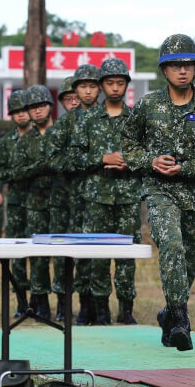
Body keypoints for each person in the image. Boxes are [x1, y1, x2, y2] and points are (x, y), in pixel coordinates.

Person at [122, 34, 195, 351]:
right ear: (164, 70)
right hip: (160, 191)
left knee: (189, 263)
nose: (182, 71)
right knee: (171, 245)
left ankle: (168, 314)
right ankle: (182, 320)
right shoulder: (147, 106)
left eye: (187, 64)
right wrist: (151, 160)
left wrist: (187, 168)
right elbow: (129, 147)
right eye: (174, 65)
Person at [72, 58, 141, 325]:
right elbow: (74, 159)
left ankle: (126, 309)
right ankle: (100, 310)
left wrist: (129, 161)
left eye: (120, 83)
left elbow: (148, 156)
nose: (115, 88)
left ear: (126, 85)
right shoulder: (87, 119)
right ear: (102, 86)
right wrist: (102, 159)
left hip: (128, 196)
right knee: (97, 253)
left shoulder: (136, 119)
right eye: (110, 83)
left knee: (127, 254)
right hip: (96, 196)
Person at [14, 85, 57, 319]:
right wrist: (39, 167)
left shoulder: (60, 132)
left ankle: (63, 306)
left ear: (50, 107)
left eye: (41, 106)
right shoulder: (24, 141)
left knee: (62, 257)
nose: (38, 111)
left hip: (60, 202)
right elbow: (17, 172)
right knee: (38, 256)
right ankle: (40, 304)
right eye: (33, 107)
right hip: (35, 203)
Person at [67, 64, 102, 326]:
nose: (88, 91)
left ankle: (103, 309)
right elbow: (61, 158)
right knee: (79, 252)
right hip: (74, 196)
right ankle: (84, 307)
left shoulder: (110, 115)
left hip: (104, 194)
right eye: (83, 86)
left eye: (92, 86)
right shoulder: (68, 120)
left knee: (102, 250)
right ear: (76, 90)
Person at [46, 76, 81, 322]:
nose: (72, 103)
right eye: (68, 99)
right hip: (61, 198)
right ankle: (62, 304)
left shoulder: (94, 122)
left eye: (76, 98)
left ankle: (90, 305)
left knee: (88, 254)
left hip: (87, 198)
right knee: (61, 253)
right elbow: (53, 159)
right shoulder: (58, 128)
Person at [0, 90, 32, 316]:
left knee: (40, 256)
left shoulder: (41, 136)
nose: (20, 116)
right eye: (15, 112)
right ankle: (21, 301)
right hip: (17, 203)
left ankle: (41, 301)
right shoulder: (7, 142)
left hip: (41, 202)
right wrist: (19, 173)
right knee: (16, 254)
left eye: (24, 110)